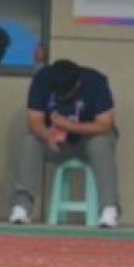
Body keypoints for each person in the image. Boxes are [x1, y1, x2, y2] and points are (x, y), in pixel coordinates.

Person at [9, 59, 121, 228]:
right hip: (56, 142)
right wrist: (47, 135)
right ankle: (21, 207)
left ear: (77, 85)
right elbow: (34, 120)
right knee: (31, 140)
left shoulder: (95, 82)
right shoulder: (42, 79)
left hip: (88, 141)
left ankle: (109, 209)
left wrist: (70, 126)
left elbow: (105, 124)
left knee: (100, 143)